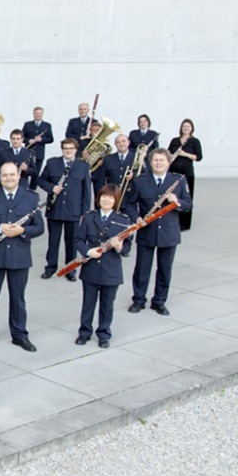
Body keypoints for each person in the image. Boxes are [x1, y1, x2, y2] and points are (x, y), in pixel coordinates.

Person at [0, 162, 45, 352]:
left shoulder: (31, 198)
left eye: (12, 175)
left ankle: (19, 334)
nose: (8, 178)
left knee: (18, 298)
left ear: (18, 175)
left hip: (19, 256)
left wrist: (23, 230)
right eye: (4, 175)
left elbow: (39, 227)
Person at [126, 149, 192, 316]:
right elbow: (130, 204)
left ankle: (159, 301)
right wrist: (137, 218)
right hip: (147, 231)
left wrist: (176, 201)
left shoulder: (178, 180)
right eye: (155, 160)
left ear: (168, 162)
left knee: (164, 269)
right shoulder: (140, 181)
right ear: (150, 162)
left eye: (162, 160)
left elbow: (188, 205)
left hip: (169, 234)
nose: (158, 163)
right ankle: (139, 300)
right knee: (142, 268)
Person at [74, 184, 132, 348]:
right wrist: (88, 251)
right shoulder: (89, 217)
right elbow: (78, 240)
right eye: (104, 196)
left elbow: (127, 247)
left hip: (111, 269)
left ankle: (104, 333)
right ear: (98, 198)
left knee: (107, 304)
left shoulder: (123, 220)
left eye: (111, 197)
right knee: (88, 303)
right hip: (91, 266)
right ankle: (84, 332)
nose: (107, 200)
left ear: (116, 200)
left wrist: (119, 247)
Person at [38, 138, 92, 281]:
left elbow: (87, 191)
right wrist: (52, 188)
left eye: (71, 148)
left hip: (73, 210)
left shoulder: (83, 166)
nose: (68, 151)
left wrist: (85, 212)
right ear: (62, 149)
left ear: (76, 150)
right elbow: (41, 180)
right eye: (66, 148)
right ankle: (50, 268)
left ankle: (70, 270)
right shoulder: (52, 163)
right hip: (55, 209)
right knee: (53, 241)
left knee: (72, 242)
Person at [168, 118, 202, 231]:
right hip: (173, 173)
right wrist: (173, 156)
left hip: (187, 174)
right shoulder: (174, 141)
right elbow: (168, 155)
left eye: (188, 126)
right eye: (184, 126)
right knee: (172, 197)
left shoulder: (195, 141)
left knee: (186, 198)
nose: (185, 128)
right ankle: (173, 221)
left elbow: (198, 157)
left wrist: (184, 153)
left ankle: (185, 224)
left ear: (191, 128)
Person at [22, 106, 54, 191]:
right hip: (27, 152)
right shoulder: (27, 124)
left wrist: (41, 139)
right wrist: (29, 140)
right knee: (25, 171)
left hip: (39, 154)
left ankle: (32, 190)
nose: (38, 115)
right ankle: (24, 189)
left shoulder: (47, 125)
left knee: (36, 173)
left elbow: (51, 139)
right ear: (33, 114)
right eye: (36, 113)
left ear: (42, 114)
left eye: (39, 113)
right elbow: (21, 137)